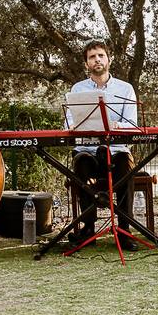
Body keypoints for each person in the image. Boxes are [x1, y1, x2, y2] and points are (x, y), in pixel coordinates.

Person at [65, 40, 138, 251]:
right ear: (86, 63)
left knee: (125, 165)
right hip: (88, 148)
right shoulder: (78, 89)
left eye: (100, 55)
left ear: (109, 59)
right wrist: (76, 124)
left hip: (116, 151)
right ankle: (88, 227)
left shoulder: (125, 89)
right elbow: (69, 121)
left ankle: (125, 229)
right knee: (80, 164)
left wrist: (116, 126)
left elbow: (132, 124)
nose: (97, 60)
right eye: (91, 57)